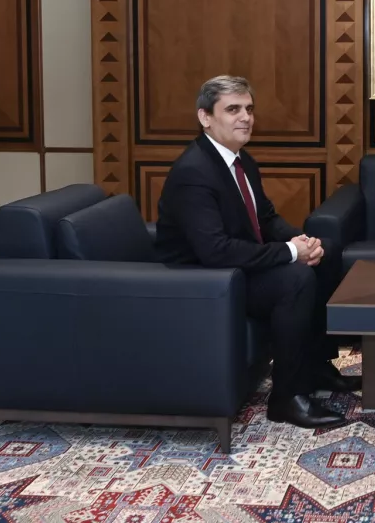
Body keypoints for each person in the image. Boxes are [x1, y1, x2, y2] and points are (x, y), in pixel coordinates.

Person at [154, 75, 359, 429]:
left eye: (248, 109)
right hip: (203, 282)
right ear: (205, 117)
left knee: (326, 253)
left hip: (234, 269)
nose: (245, 118)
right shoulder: (193, 172)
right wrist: (290, 253)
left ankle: (315, 367)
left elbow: (265, 219)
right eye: (233, 109)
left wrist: (303, 242)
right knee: (295, 279)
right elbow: (215, 251)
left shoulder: (240, 160)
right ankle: (286, 398)